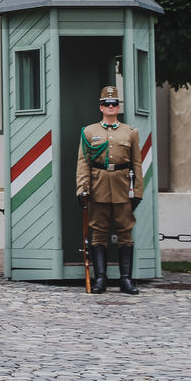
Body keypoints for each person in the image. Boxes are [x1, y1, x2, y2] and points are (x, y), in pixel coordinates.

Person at [75, 85, 143, 294]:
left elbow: (136, 164)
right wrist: (82, 188)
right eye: (107, 103)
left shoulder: (130, 132)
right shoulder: (89, 132)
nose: (111, 106)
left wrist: (137, 191)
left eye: (114, 103)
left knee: (125, 233)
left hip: (122, 186)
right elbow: (83, 162)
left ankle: (126, 279)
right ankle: (100, 280)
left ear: (118, 106)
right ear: (101, 107)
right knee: (99, 233)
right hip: (98, 186)